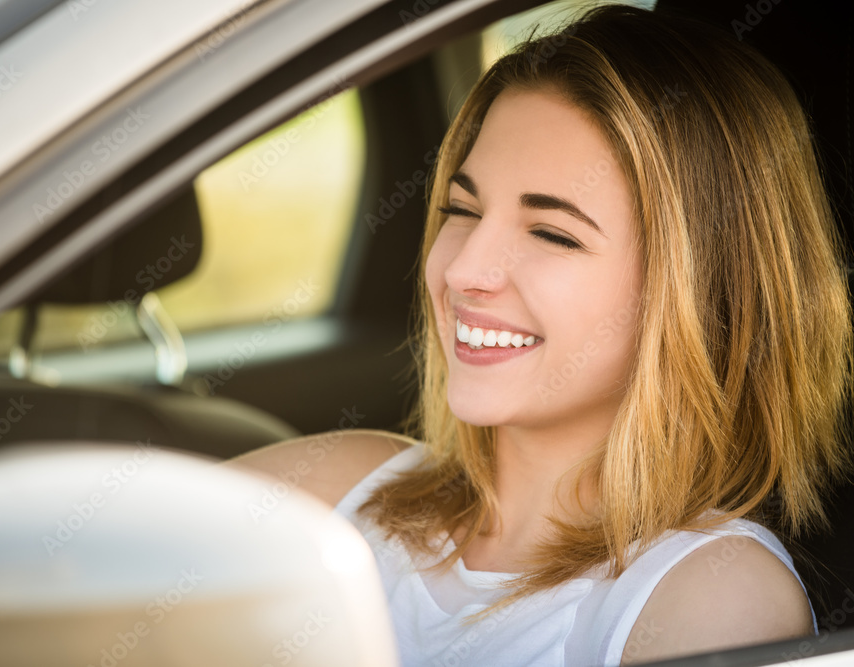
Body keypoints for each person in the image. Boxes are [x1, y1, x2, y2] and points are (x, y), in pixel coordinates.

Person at [228, 4, 852, 665]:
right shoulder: (338, 487)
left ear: (701, 290)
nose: (463, 270)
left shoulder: (708, 597)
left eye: (551, 233)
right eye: (461, 210)